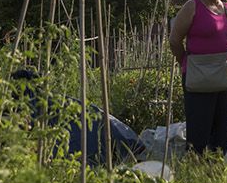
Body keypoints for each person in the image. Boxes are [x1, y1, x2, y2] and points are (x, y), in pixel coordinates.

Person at [167, 0, 227, 155]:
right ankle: (196, 165)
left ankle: (215, 167)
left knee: (222, 126)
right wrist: (186, 62)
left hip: (225, 76)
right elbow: (175, 40)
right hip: (199, 74)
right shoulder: (192, 7)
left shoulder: (226, 8)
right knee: (200, 125)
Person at [9, 67, 145, 162]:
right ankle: (127, 146)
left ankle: (125, 147)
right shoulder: (46, 101)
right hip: (109, 130)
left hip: (98, 132)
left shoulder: (33, 105)